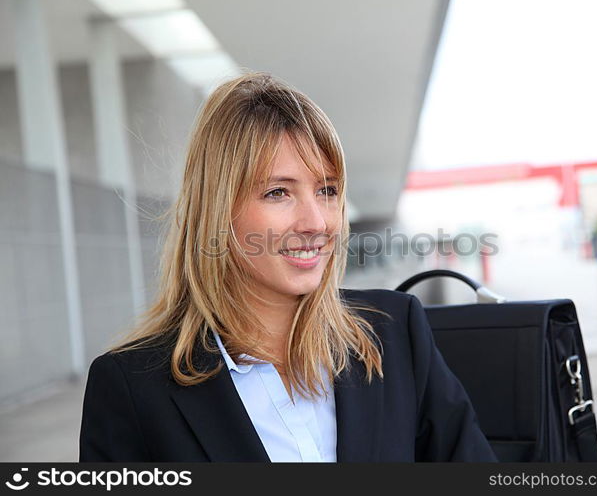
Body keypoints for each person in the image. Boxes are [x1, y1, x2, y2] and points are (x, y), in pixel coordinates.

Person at [78, 71, 497, 462]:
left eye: (327, 190)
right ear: (217, 212)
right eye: (279, 192)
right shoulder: (131, 388)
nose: (316, 222)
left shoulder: (395, 331)